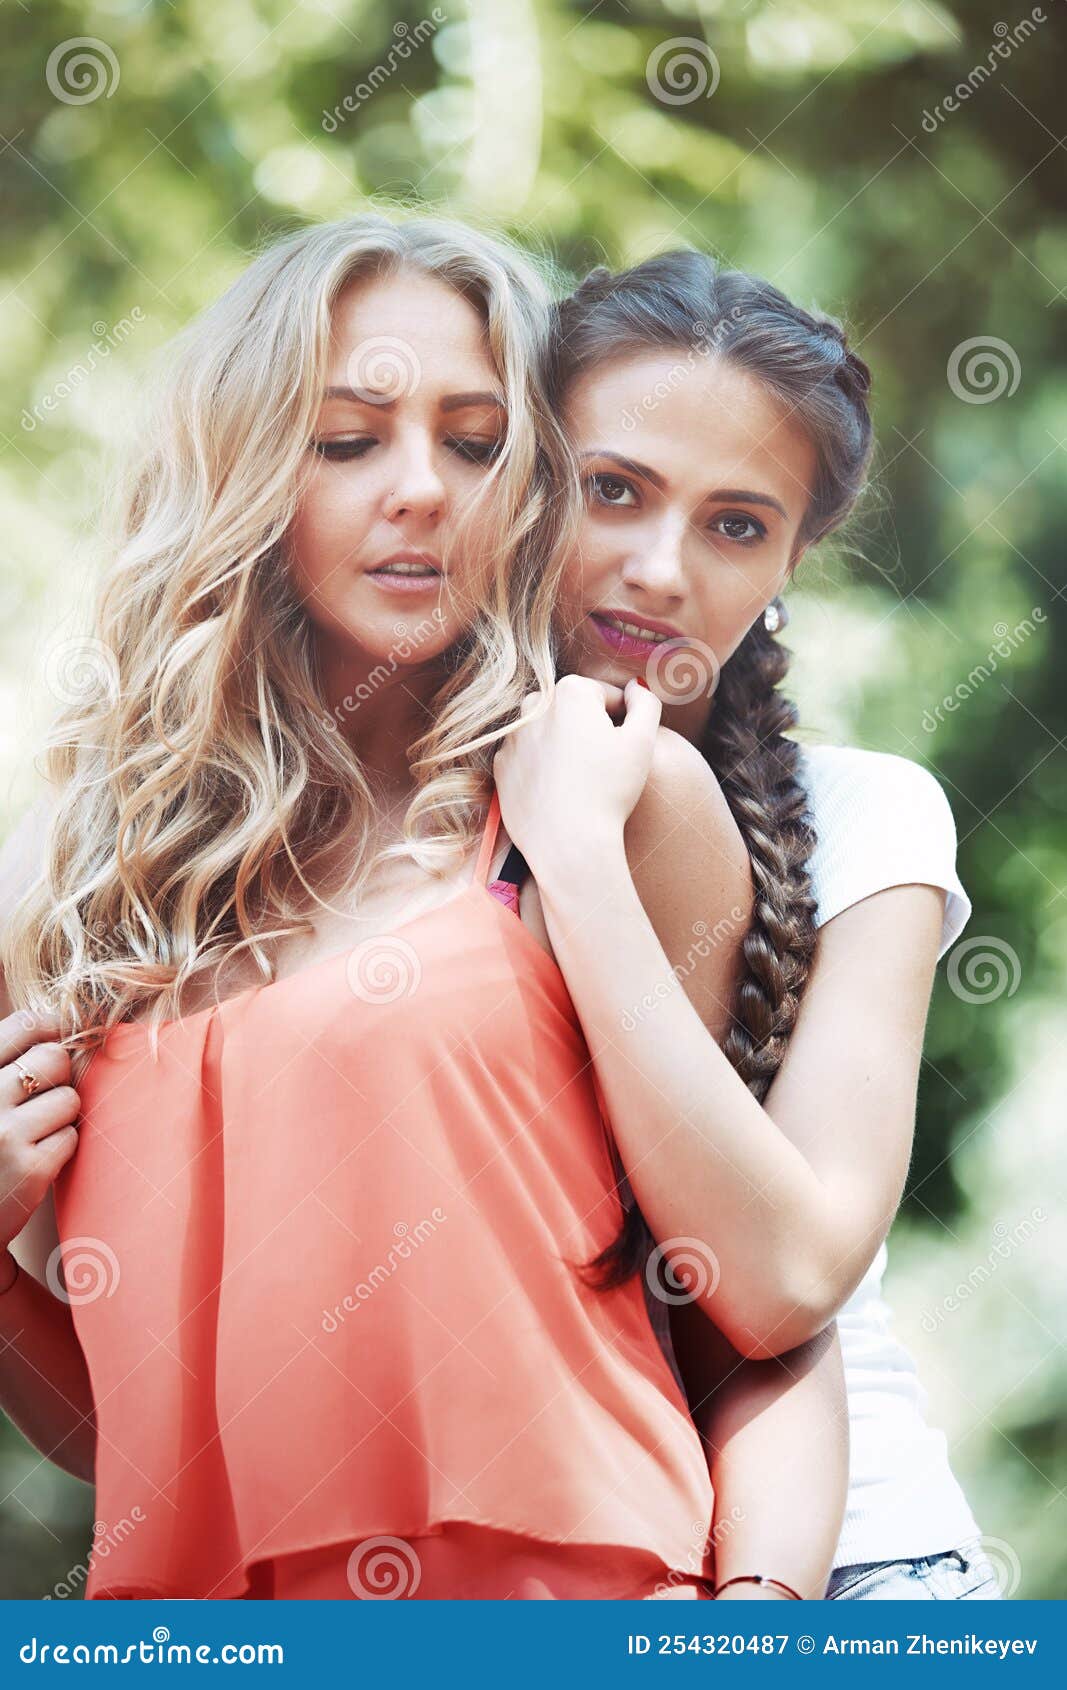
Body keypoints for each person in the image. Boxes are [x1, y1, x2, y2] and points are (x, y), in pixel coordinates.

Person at [0, 214, 846, 1602]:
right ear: (241, 468)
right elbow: (131, 1439)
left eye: (475, 442)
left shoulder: (611, 795)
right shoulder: (79, 886)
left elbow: (746, 1315)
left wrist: (760, 1616)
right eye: (348, 441)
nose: (421, 491)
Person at [489, 251, 1002, 1600]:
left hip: (861, 1574)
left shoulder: (870, 821)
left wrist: (582, 863)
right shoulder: (379, 811)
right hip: (538, 1575)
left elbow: (783, 1280)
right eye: (612, 489)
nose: (659, 570)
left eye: (734, 524)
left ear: (790, 559)